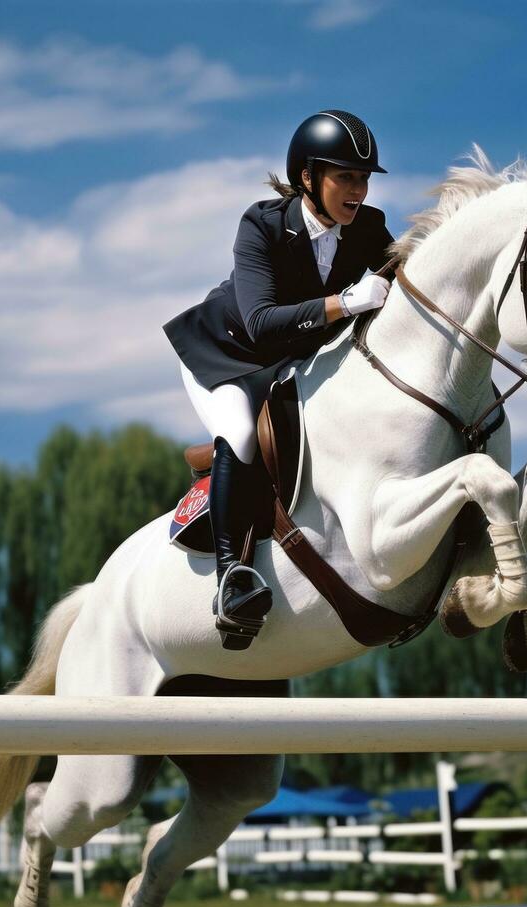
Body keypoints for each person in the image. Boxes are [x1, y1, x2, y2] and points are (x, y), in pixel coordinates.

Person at [163, 110, 395, 647]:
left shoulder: (369, 228)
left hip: (291, 358)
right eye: (345, 177)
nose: (357, 191)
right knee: (241, 434)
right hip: (226, 354)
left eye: (363, 179)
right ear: (308, 178)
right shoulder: (261, 225)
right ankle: (230, 579)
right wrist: (344, 302)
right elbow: (261, 323)